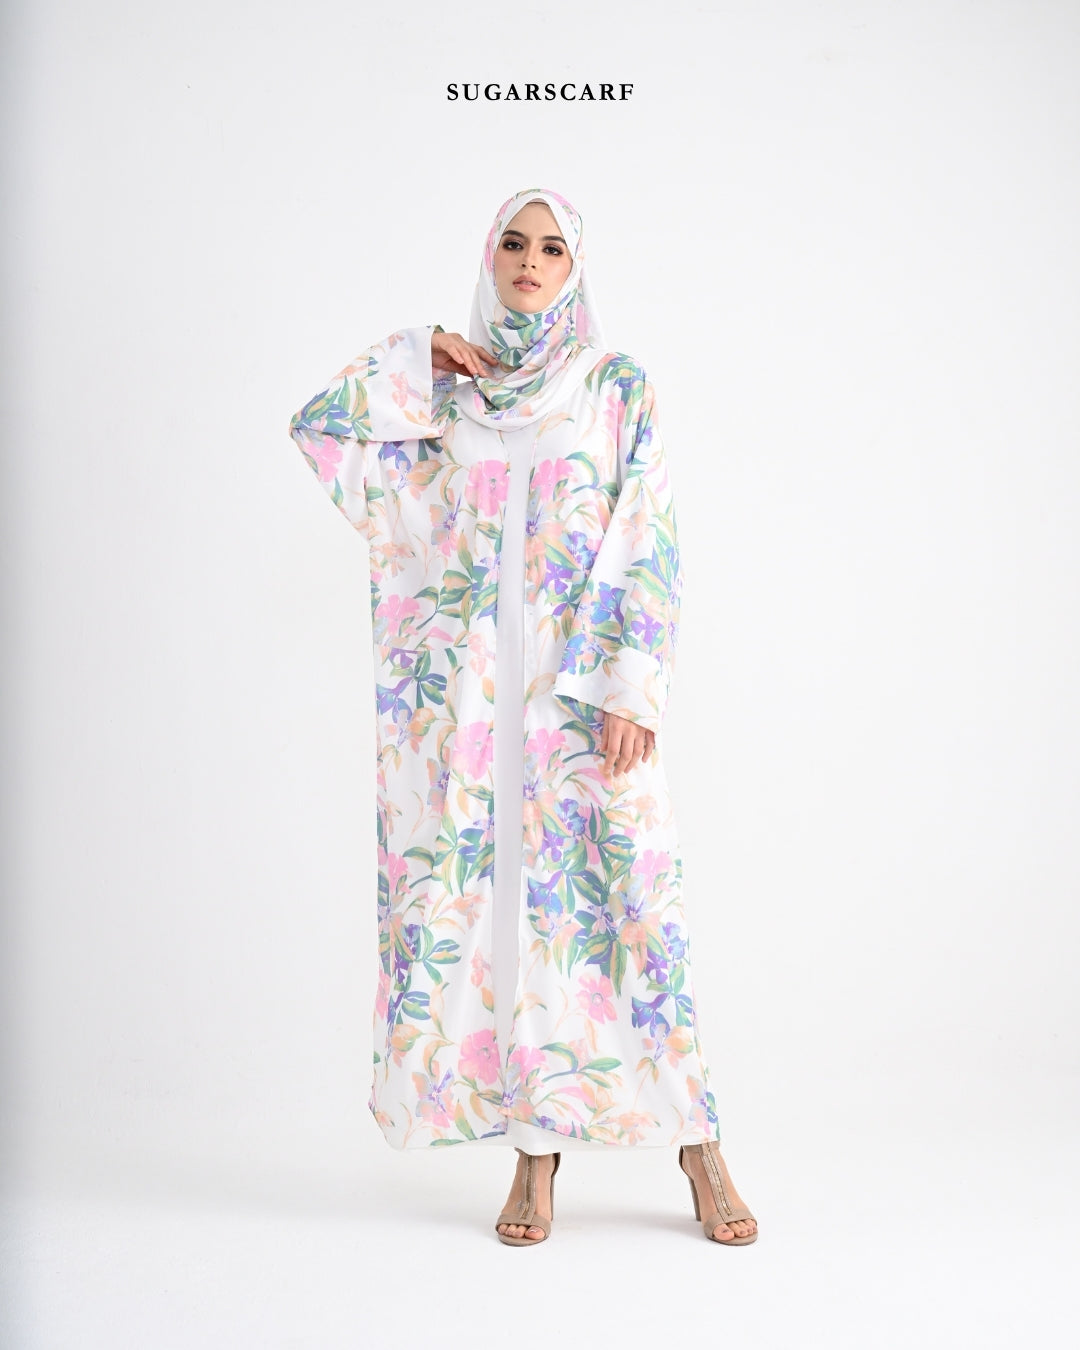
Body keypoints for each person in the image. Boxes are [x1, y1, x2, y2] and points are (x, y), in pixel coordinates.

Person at [287, 187, 757, 1246]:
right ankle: (534, 1157)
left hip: (583, 706)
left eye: (551, 248)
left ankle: (700, 1145)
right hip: (476, 721)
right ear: (489, 258)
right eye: (513, 242)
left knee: (634, 913)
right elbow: (323, 431)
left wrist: (631, 684)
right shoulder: (449, 405)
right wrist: (415, 357)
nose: (530, 261)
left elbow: (650, 530)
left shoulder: (612, 385)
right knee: (506, 927)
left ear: (574, 268)